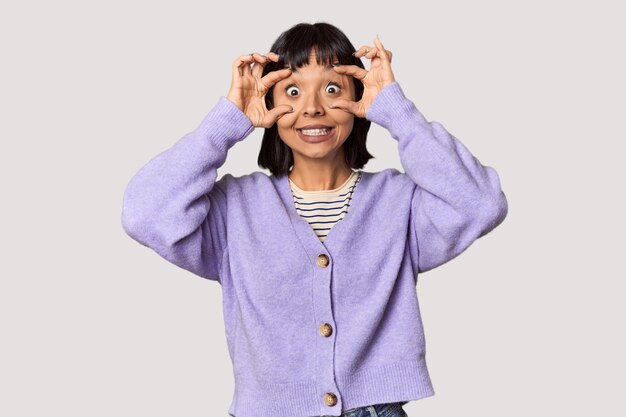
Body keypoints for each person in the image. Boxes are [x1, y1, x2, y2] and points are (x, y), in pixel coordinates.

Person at [121, 22, 508, 417]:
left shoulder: (399, 203)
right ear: (268, 104)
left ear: (359, 99)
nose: (312, 108)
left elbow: (480, 203)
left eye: (332, 88)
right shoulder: (233, 209)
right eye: (292, 91)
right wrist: (226, 121)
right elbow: (143, 213)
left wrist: (397, 111)